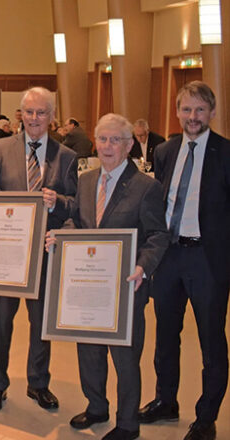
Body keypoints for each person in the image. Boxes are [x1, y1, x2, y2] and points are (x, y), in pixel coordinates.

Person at [50, 113, 168, 440]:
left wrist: (143, 266)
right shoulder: (86, 180)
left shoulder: (147, 187)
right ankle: (97, 406)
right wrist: (62, 236)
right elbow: (77, 221)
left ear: (129, 145)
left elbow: (157, 235)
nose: (107, 146)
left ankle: (128, 424)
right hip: (88, 286)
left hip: (126, 287)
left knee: (125, 360)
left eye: (116, 139)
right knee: (88, 351)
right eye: (102, 139)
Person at [0, 87, 77, 412]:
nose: (34, 119)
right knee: (1, 323)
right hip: (6, 256)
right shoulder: (1, 148)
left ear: (51, 117)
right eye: (29, 112)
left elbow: (76, 205)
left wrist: (60, 203)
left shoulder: (65, 156)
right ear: (20, 115)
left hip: (44, 252)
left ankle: (38, 383)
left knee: (41, 325)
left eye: (41, 113)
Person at [139, 81, 230, 440]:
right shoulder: (165, 151)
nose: (193, 117)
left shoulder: (225, 153)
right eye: (187, 110)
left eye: (200, 110)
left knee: (211, 341)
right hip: (170, 258)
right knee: (165, 336)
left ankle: (206, 417)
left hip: (208, 261)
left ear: (211, 113)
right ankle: (166, 401)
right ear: (177, 112)